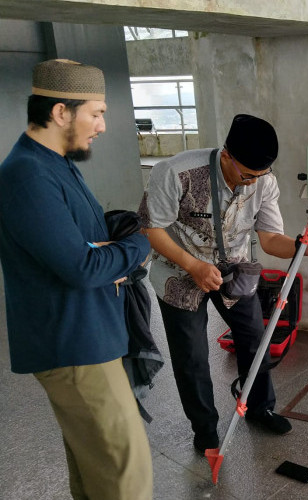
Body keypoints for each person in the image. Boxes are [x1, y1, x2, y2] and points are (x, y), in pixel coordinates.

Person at [0, 59, 153, 500]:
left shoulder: (55, 163)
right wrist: (140, 246)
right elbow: (82, 267)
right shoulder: (26, 175)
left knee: (96, 473)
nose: (103, 125)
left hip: (88, 336)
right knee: (127, 474)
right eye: (97, 112)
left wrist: (108, 248)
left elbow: (84, 248)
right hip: (74, 345)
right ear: (61, 112)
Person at [138, 114, 308, 453]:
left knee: (255, 338)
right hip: (179, 273)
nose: (253, 183)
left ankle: (259, 407)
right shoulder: (175, 173)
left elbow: (270, 239)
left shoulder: (264, 181)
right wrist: (193, 265)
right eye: (247, 175)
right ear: (226, 156)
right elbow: (150, 229)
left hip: (235, 271)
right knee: (192, 356)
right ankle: (205, 429)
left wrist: (302, 246)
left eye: (261, 175)